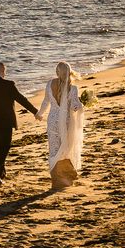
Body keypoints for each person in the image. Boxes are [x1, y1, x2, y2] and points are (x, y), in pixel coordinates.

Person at [42, 61, 86, 190]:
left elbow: (46, 102)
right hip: (65, 122)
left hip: (52, 120)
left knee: (54, 148)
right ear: (69, 72)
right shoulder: (73, 88)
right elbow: (74, 106)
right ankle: (65, 174)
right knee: (65, 147)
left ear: (57, 72)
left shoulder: (49, 84)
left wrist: (39, 114)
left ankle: (55, 178)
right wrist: (82, 105)